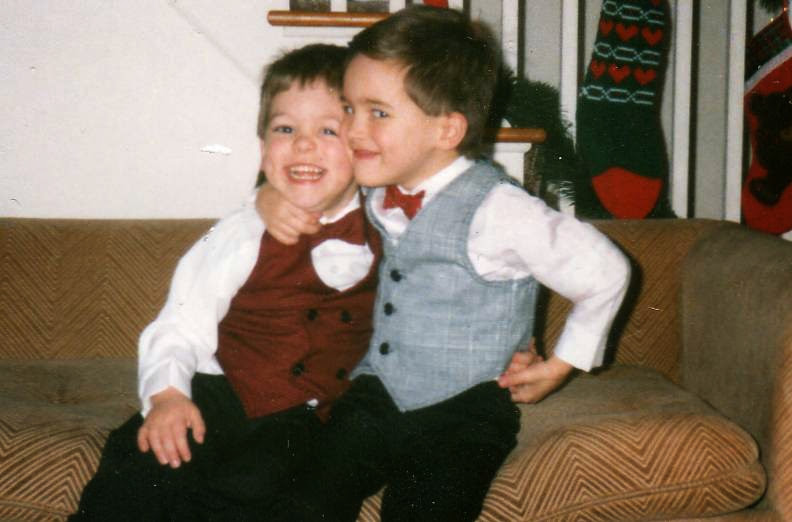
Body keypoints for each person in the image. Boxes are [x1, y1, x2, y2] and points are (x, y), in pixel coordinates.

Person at [257, 5, 631, 522]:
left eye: (377, 112)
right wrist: (268, 201)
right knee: (299, 499)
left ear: (447, 130)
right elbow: (304, 192)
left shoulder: (500, 209)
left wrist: (562, 364)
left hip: (465, 412)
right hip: (375, 392)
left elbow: (606, 271)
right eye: (348, 109)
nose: (352, 129)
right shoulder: (374, 184)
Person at [70, 43, 382, 521]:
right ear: (262, 149)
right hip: (215, 397)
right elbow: (179, 323)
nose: (303, 144)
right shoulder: (241, 230)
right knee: (142, 473)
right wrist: (168, 396)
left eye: (327, 129)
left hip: (303, 421)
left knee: (263, 493)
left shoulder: (390, 231)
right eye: (284, 129)